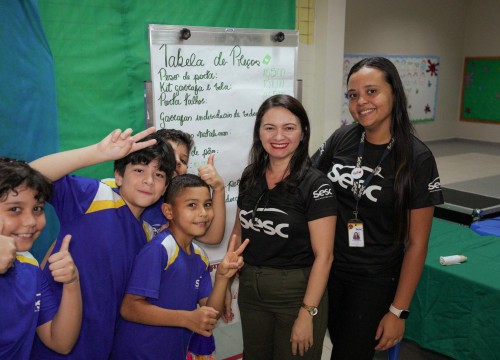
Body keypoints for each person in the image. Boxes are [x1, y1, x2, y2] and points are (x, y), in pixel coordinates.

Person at [311, 57, 444, 359]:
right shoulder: (342, 138)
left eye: (372, 92)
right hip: (328, 268)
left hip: (373, 280)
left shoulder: (417, 159)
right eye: (353, 95)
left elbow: (416, 243)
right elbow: (305, 182)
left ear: (394, 93)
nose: (361, 102)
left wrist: (398, 311)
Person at [30, 128, 176, 359]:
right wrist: (98, 152)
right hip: (50, 336)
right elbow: (30, 175)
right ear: (119, 176)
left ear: (165, 188)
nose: (148, 180)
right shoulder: (95, 195)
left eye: (159, 175)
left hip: (100, 345)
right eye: (139, 170)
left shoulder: (149, 237)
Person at [228, 94, 337, 359]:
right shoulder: (250, 175)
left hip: (297, 293)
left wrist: (307, 312)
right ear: (259, 133)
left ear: (303, 133)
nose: (279, 136)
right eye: (269, 128)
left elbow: (325, 256)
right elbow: (238, 232)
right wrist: (225, 284)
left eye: (289, 127)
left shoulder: (316, 185)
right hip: (251, 289)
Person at [111, 174, 249, 360]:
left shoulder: (200, 257)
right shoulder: (159, 250)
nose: (203, 213)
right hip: (139, 353)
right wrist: (186, 318)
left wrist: (223, 277)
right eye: (192, 205)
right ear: (168, 211)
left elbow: (209, 315)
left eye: (207, 205)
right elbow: (129, 307)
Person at [0, 158, 81, 359]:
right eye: (15, 209)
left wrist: (72, 282)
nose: (30, 222)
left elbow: (61, 342)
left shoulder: (29, 266)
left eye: (37, 209)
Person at [103, 128, 226, 245]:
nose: (177, 162)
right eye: (170, 155)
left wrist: (218, 189)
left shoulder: (176, 204)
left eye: (183, 161)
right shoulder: (107, 191)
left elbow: (212, 237)